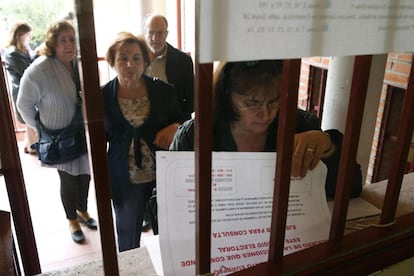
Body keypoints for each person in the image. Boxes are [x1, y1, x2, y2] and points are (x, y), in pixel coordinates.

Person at [170, 60, 362, 199]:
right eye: (252, 103)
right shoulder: (194, 136)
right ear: (227, 95)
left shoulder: (299, 124)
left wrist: (328, 146)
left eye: (273, 101)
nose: (266, 114)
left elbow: (352, 188)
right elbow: (161, 208)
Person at [102, 32, 185, 252]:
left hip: (162, 176)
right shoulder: (101, 97)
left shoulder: (163, 91)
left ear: (145, 61)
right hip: (124, 177)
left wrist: (175, 126)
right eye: (122, 58)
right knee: (128, 236)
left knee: (167, 234)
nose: (130, 64)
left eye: (136, 58)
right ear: (112, 61)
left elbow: (182, 122)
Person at [16, 20, 97, 244]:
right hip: (59, 137)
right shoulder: (40, 69)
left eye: (72, 39)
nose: (69, 44)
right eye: (63, 40)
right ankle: (71, 219)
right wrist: (41, 128)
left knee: (85, 176)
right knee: (69, 181)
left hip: (82, 132)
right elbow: (23, 104)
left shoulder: (78, 64)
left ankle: (82, 210)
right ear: (53, 43)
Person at [143, 13, 194, 120]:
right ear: (145, 34)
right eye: (151, 32)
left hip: (172, 124)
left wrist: (178, 125)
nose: (155, 38)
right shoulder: (136, 59)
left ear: (166, 34)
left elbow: (192, 99)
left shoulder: (183, 61)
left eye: (160, 33)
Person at [4, 21, 37, 154]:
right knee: (30, 117)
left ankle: (28, 144)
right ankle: (32, 146)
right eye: (28, 35)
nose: (30, 38)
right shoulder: (12, 53)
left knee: (29, 117)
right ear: (20, 35)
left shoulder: (22, 50)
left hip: (27, 89)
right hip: (22, 90)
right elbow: (26, 71)